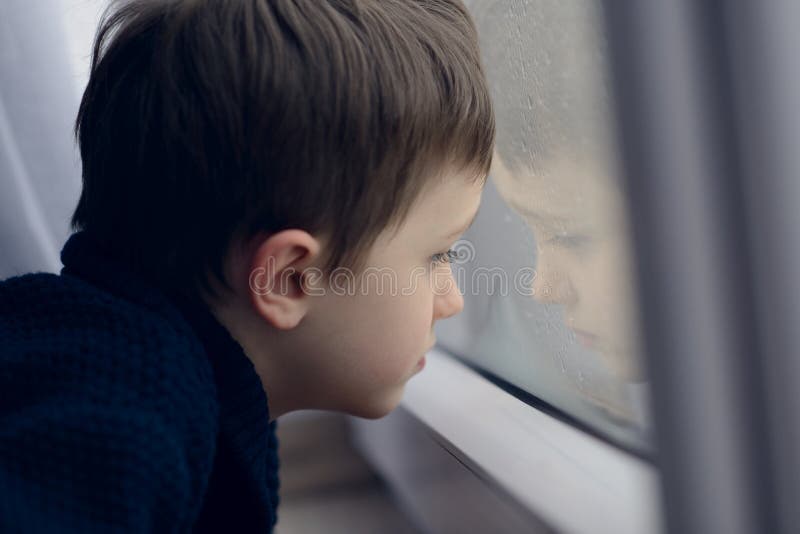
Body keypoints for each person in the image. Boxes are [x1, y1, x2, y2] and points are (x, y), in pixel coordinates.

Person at [0, 0, 495, 531]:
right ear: (287, 278)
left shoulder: (195, 393)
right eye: (437, 256)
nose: (452, 299)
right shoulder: (117, 420)